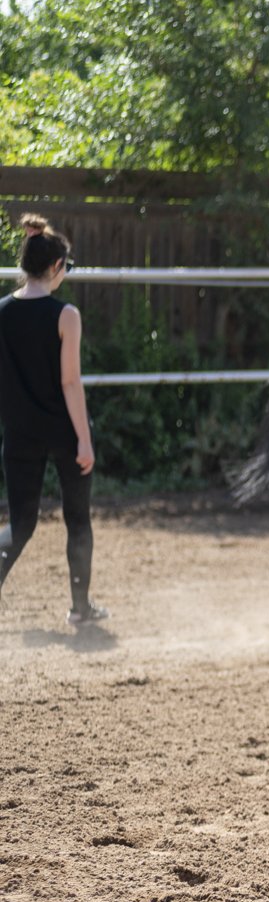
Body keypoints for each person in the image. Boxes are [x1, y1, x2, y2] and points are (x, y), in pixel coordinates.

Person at [0, 215, 107, 627]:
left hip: (19, 433)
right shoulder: (67, 315)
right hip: (63, 431)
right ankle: (80, 608)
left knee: (21, 524)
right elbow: (70, 382)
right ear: (56, 266)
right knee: (77, 518)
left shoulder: (3, 312)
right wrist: (84, 439)